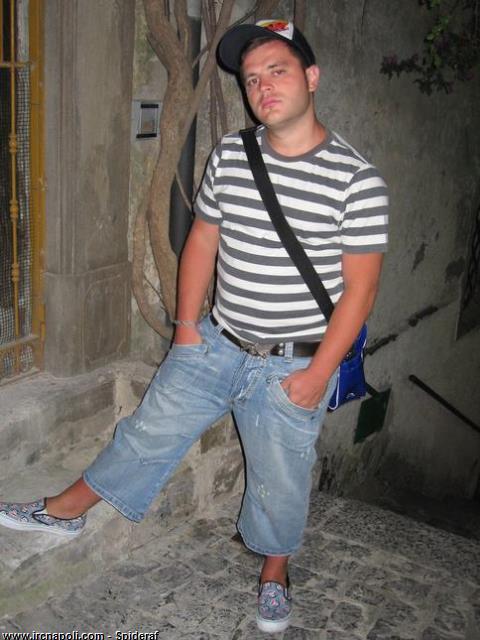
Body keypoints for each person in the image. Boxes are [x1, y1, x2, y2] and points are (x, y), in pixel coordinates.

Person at [0, 20, 388, 634]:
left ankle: (275, 571)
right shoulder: (233, 154)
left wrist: (318, 374)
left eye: (278, 71)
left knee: (281, 475)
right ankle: (67, 511)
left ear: (312, 78)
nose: (262, 87)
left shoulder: (357, 180)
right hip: (215, 342)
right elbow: (203, 238)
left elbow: (360, 291)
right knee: (145, 433)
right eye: (252, 79)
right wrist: (186, 327)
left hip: (294, 361)